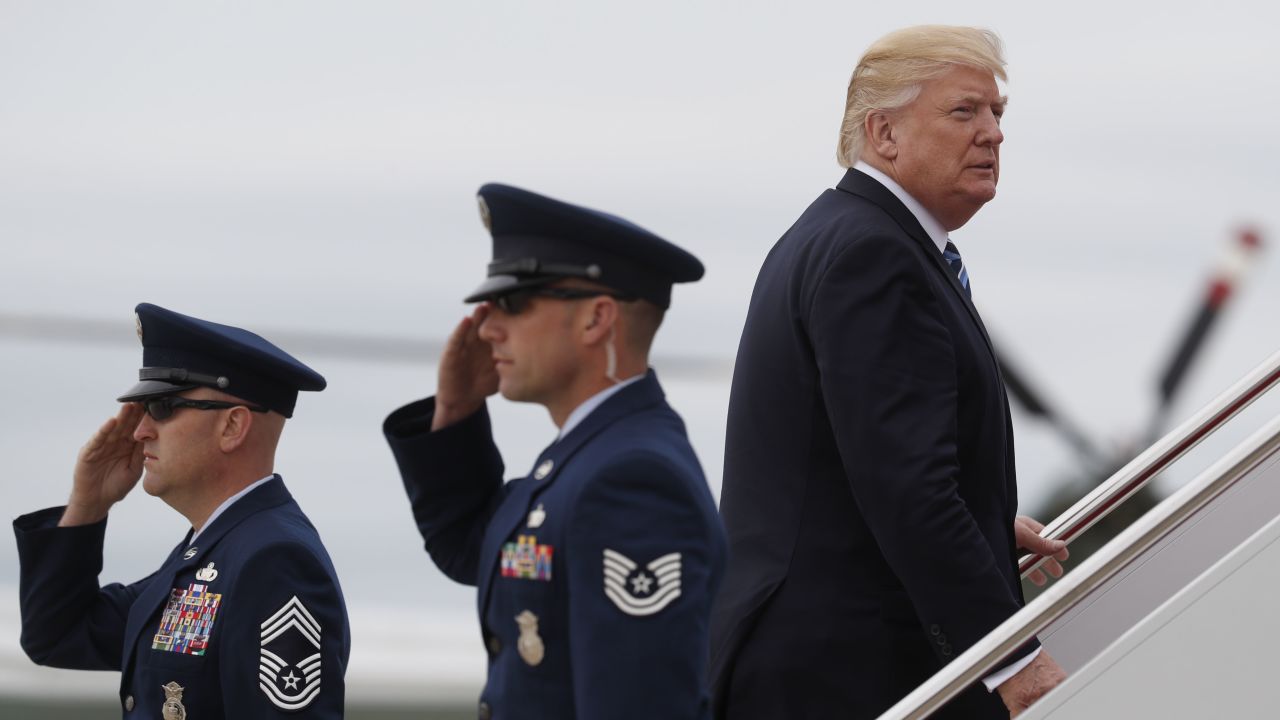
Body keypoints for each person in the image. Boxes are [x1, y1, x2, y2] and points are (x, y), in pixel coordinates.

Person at [708, 25, 1069, 719]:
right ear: (884, 133)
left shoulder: (843, 235)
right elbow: (909, 490)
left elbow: (866, 462)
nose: (993, 133)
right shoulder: (874, 256)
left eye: (998, 114)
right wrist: (1015, 660)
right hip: (846, 672)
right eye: (965, 111)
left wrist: (985, 517)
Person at [383, 183, 727, 720]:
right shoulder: (586, 458)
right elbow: (471, 547)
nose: (488, 328)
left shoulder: (633, 478)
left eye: (514, 302)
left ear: (597, 318)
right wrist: (455, 413)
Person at [14, 303, 350, 718]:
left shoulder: (273, 559)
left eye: (162, 407)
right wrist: (87, 505)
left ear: (232, 427)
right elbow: (58, 635)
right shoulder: (214, 550)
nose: (140, 431)